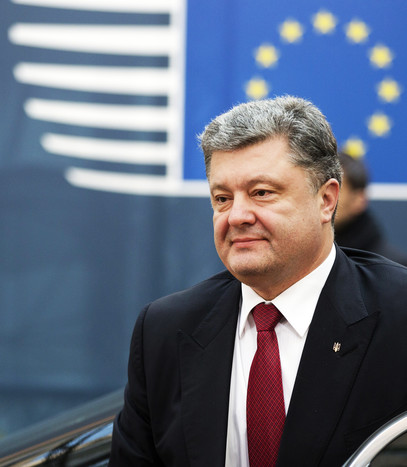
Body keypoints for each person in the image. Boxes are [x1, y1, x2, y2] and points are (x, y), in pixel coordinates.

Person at [109, 96, 407, 467]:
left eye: (261, 193)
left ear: (326, 200)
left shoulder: (398, 315)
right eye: (222, 198)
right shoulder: (165, 328)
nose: (236, 216)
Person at [335, 151, 407, 266]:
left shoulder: (393, 268)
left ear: (359, 200)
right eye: (319, 188)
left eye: (335, 190)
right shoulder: (309, 261)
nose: (324, 199)